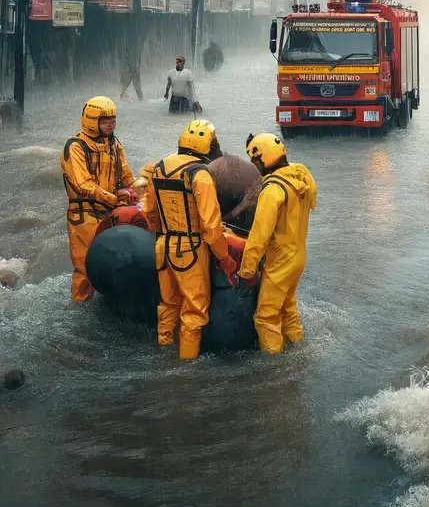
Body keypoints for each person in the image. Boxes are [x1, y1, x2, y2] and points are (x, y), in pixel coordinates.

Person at [140, 119, 237, 359]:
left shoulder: (158, 167)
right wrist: (224, 258)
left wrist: (160, 232)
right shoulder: (200, 174)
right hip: (191, 250)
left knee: (168, 305)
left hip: (163, 247)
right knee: (194, 312)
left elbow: (149, 212)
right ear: (205, 147)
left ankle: (164, 353)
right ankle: (185, 370)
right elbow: (211, 225)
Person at [240, 133, 317, 353]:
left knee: (265, 317)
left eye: (255, 161)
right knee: (287, 307)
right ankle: (297, 346)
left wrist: (247, 270)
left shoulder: (273, 189)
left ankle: (275, 371)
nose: (254, 166)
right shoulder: (298, 177)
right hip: (298, 257)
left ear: (262, 158)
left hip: (281, 261)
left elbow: (259, 235)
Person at [60, 96, 136, 302]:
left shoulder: (114, 144)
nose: (111, 124)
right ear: (92, 122)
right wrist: (113, 199)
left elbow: (127, 177)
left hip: (110, 212)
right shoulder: (75, 147)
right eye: (105, 121)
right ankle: (81, 306)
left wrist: (143, 192)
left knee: (114, 263)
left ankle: (110, 302)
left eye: (113, 120)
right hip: (84, 216)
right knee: (85, 267)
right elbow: (83, 184)